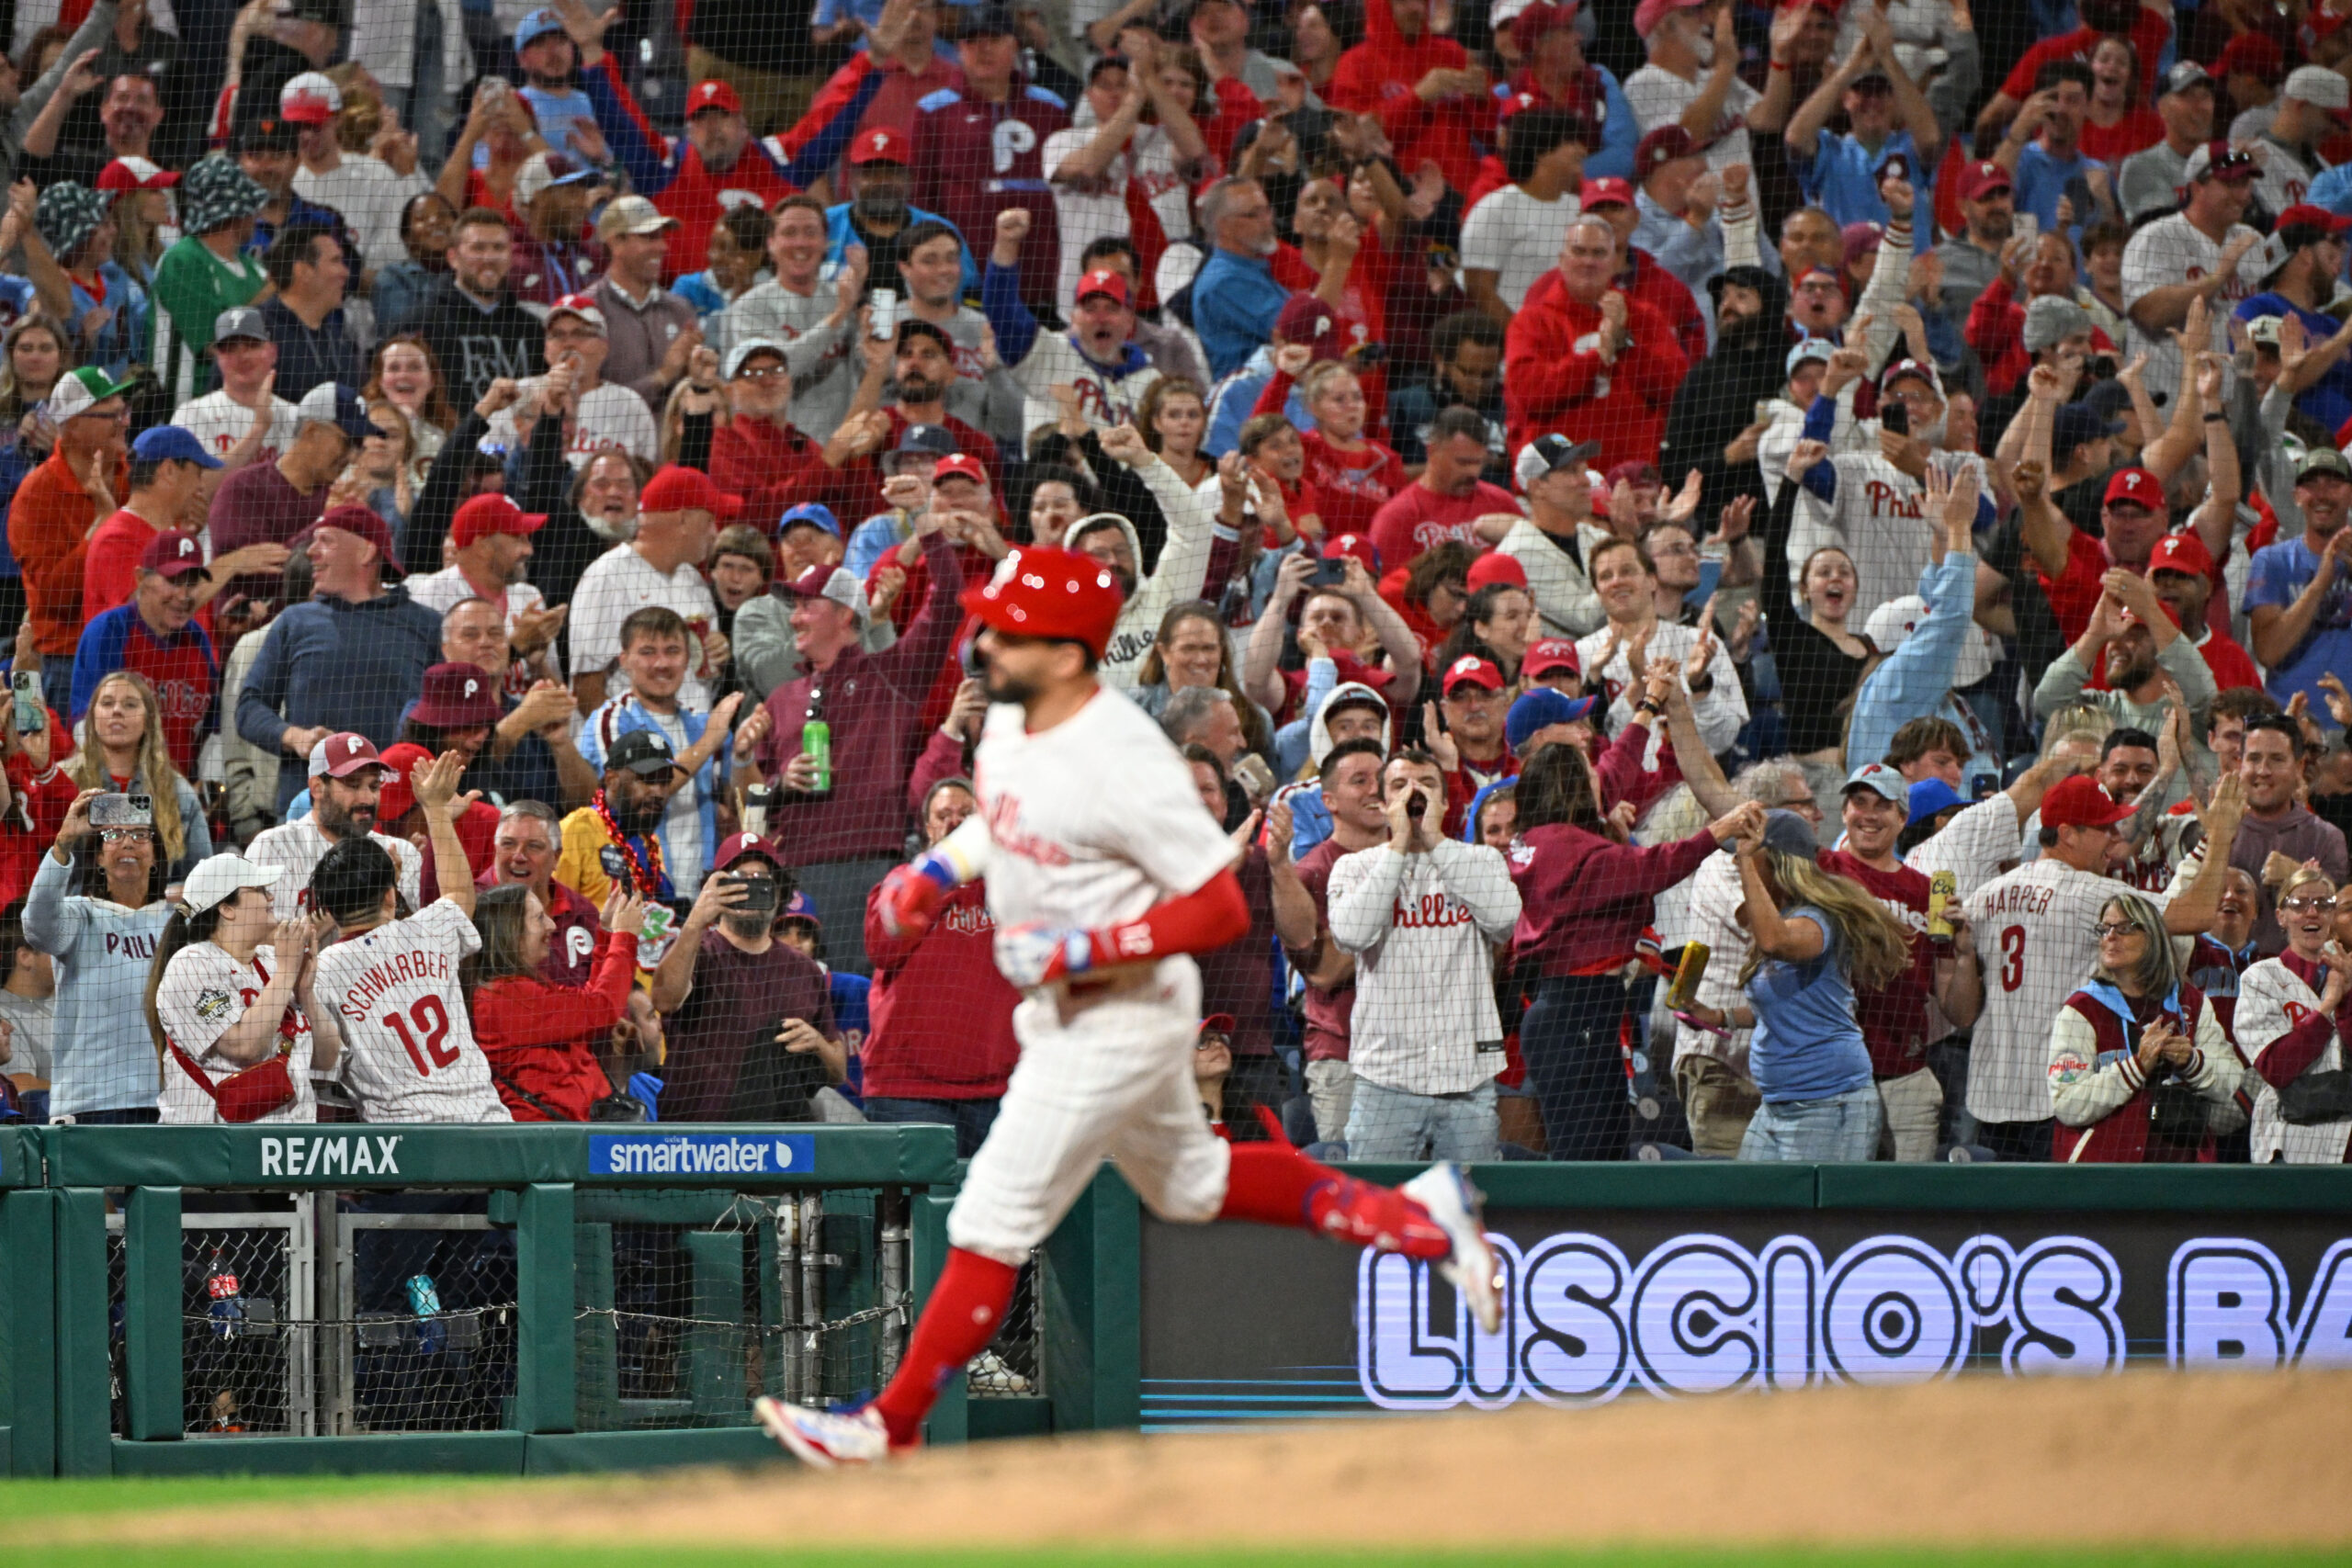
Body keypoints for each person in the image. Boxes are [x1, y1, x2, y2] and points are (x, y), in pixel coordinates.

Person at [756, 544, 1503, 1467]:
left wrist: (1087, 946)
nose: (985, 641)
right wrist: (935, 869)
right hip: (1066, 1009)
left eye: (1010, 630)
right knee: (1193, 1183)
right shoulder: (1012, 725)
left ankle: (891, 1423)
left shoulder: (1125, 758)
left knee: (992, 1209)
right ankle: (1419, 1217)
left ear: (1067, 654)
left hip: (1124, 1008)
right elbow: (1006, 821)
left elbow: (1222, 905)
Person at [1965, 773, 2246, 1162]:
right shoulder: (2086, 891)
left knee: (2001, 1222)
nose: (2115, 839)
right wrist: (2220, 839)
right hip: (2060, 1102)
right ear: (2068, 833)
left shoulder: (1984, 896)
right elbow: (2196, 914)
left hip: (1989, 1098)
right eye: (2103, 829)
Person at [1510, 735, 1766, 1160]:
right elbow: (1657, 866)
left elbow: (1615, 772)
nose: (1603, 780)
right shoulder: (1573, 849)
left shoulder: (1540, 840)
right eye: (1591, 774)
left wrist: (1646, 711)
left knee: (1608, 1151)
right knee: (1585, 1160)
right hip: (1576, 1018)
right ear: (1574, 787)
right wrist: (1719, 830)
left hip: (1580, 1014)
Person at [742, 507, 964, 971]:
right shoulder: (780, 699)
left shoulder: (892, 676)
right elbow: (753, 804)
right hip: (795, 876)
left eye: (808, 606)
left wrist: (926, 520)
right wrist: (766, 771)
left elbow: (946, 603)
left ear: (845, 614)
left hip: (868, 868)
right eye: (795, 608)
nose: (795, 618)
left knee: (860, 1005)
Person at [1326, 749, 1521, 1160]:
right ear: (1382, 804)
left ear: (1447, 802)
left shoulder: (1481, 860)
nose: (1414, 794)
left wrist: (1433, 838)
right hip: (1385, 1081)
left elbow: (1504, 919)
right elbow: (1351, 935)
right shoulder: (1353, 868)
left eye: (1427, 785)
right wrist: (1398, 845)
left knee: (1471, 1211)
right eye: (1400, 786)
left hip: (1466, 1080)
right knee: (1377, 1214)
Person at [1695, 807, 1913, 1161]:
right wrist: (1719, 1017)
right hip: (1778, 1104)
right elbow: (1782, 1004)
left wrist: (1748, 861)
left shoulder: (1817, 920)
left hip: (1829, 1102)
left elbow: (1774, 941)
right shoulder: (1782, 917)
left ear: (1778, 859)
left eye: (1748, 854)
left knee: (1815, 1217)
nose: (1736, 862)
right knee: (1749, 1208)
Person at [310, 749, 509, 1122]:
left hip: (405, 1145)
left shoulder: (322, 971)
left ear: (331, 911)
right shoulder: (426, 931)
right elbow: (461, 895)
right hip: (484, 1123)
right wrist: (436, 813)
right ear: (390, 893)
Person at [236, 504, 442, 814]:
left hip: (397, 813)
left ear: (366, 552)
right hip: (309, 814)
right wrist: (295, 737)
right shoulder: (295, 621)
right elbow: (248, 709)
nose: (311, 552)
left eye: (326, 541)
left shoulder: (427, 625)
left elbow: (443, 719)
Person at [862, 775, 1020, 1156]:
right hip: (908, 1091)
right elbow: (882, 949)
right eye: (944, 814)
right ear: (929, 827)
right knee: (913, 1215)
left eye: (967, 814)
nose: (954, 821)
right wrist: (939, 879)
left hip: (998, 1092)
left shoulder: (1012, 891)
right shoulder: (901, 883)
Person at [649, 831, 842, 1121]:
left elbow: (838, 1072)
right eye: (740, 878)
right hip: (695, 1140)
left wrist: (818, 1043)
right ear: (716, 888)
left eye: (761, 879)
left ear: (779, 891)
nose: (750, 887)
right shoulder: (694, 951)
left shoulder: (805, 969)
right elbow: (664, 999)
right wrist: (696, 921)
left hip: (778, 1144)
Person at [2048, 887, 2239, 1162]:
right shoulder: (2082, 1010)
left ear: (2153, 938)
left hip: (2184, 1172)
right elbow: (2067, 1103)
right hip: (2102, 1175)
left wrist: (2191, 1062)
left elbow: (2229, 1081)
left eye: (2125, 928)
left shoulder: (2191, 1003)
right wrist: (2136, 1068)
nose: (2110, 937)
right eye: (2104, 929)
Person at [23, 784, 175, 1121]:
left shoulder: (177, 923)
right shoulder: (80, 914)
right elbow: (36, 925)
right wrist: (64, 841)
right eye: (113, 834)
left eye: (140, 834)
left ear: (155, 855)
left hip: (167, 1101)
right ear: (98, 857)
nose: (127, 842)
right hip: (90, 1103)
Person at [148, 853, 334, 1124]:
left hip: (288, 1145)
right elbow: (244, 1046)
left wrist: (305, 993)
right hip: (215, 1146)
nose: (270, 897)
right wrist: (285, 975)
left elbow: (326, 1058)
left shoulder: (271, 960)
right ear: (227, 908)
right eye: (259, 890)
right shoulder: (191, 965)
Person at [579, 606, 748, 897]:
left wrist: (746, 754)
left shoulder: (704, 724)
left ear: (688, 660)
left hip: (705, 893)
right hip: (636, 891)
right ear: (624, 661)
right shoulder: (611, 719)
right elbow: (624, 795)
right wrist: (710, 740)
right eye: (647, 652)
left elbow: (732, 807)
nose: (661, 663)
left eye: (672, 651)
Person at [1504, 214, 1689, 470]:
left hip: (1632, 479)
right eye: (1579, 251)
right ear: (1562, 260)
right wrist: (1596, 358)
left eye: (1599, 253)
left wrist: (1625, 344)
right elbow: (1530, 392)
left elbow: (1677, 389)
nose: (1588, 262)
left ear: (1613, 263)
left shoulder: (1644, 317)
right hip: (1557, 481)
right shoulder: (1531, 321)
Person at [2173, 715, 2350, 956]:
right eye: (2254, 759)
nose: (2263, 771)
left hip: (2299, 985)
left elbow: (2341, 926)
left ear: (2299, 766)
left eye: (2277, 760)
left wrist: (2299, 877)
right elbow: (2181, 910)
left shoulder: (2328, 838)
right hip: (2213, 978)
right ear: (2239, 764)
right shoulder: (2208, 831)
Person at [467, 883, 646, 1122]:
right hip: (545, 1143)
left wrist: (605, 933)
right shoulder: (503, 998)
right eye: (539, 918)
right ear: (511, 933)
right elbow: (603, 1009)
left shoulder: (518, 987)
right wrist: (625, 938)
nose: (551, 926)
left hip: (568, 1133)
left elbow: (590, 1003)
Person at [11, 367, 131, 713]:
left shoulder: (137, 475)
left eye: (123, 411)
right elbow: (56, 597)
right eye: (111, 415)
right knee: (39, 754)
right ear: (74, 424)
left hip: (131, 650)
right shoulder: (35, 494)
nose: (123, 421)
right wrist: (102, 528)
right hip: (58, 660)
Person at [568, 464, 733, 714]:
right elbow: (586, 690)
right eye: (710, 520)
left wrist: (716, 654)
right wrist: (632, 748)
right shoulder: (606, 578)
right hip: (635, 745)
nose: (715, 533)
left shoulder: (693, 580)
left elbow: (701, 678)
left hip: (693, 740)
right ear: (683, 519)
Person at [205, 381, 371, 606]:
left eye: (358, 445)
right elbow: (252, 582)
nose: (352, 457)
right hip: (250, 633)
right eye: (347, 442)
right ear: (311, 431)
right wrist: (327, 522)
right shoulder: (245, 487)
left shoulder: (340, 497)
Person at [2235, 867, 2352, 1164]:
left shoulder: (2348, 973)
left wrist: (2348, 999)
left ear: (2333, 915)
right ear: (2281, 917)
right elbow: (2276, 1068)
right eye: (2299, 904)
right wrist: (2327, 1007)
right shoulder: (2260, 978)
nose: (2312, 912)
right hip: (2289, 1140)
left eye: (2324, 904)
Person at [244, 732, 424, 918]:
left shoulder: (400, 852)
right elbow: (264, 941)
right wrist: (367, 896)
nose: (367, 798)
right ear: (317, 788)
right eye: (353, 785)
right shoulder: (275, 847)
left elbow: (428, 934)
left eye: (374, 786)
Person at [151, 156, 275, 409]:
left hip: (244, 406)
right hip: (185, 409)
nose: (257, 214)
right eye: (251, 207)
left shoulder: (252, 266)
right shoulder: (182, 260)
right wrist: (276, 288)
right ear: (234, 213)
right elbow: (212, 342)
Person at [65, 667, 211, 874]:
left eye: (130, 705)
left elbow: (203, 878)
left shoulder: (178, 791)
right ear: (92, 717)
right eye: (107, 703)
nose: (117, 711)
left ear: (148, 720)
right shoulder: (65, 780)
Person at [395, 206, 546, 407]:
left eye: (498, 248)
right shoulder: (420, 325)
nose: (489, 258)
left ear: (510, 257)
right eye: (478, 248)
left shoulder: (533, 329)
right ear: (453, 258)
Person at [486, 295, 660, 469]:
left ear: (604, 347)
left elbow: (644, 474)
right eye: (557, 335)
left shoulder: (630, 405)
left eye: (581, 334)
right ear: (546, 349)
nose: (569, 343)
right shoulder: (519, 394)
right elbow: (487, 455)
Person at [479, 799, 604, 987]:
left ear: (556, 857)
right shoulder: (473, 905)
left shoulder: (583, 913)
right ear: (495, 849)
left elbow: (598, 987)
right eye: (508, 844)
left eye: (534, 846)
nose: (519, 856)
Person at [172, 308, 300, 467]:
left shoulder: (297, 417)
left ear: (273, 352)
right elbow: (201, 487)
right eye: (230, 348)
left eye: (252, 345)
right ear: (218, 357)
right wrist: (258, 429)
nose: (242, 357)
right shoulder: (192, 415)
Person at [257, 221, 363, 401]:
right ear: (304, 271)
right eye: (335, 261)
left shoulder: (339, 340)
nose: (345, 272)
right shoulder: (255, 332)